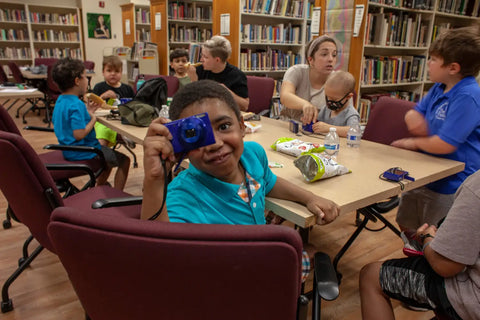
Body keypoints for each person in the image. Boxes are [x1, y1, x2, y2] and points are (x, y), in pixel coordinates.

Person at [141, 80, 340, 277]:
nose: (215, 144)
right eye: (198, 135)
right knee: (310, 253)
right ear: (180, 145)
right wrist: (154, 180)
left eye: (224, 126)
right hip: (234, 280)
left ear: (242, 127)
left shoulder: (252, 155)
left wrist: (309, 198)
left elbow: (269, 182)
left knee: (306, 248)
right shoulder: (183, 195)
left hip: (258, 251)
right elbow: (157, 260)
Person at [391, 23, 480, 231]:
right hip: (424, 173)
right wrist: (412, 116)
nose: (428, 63)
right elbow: (417, 111)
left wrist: (412, 142)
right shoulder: (440, 86)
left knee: (434, 233)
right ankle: (411, 259)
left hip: (451, 184)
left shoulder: (468, 96)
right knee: (406, 222)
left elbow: (445, 144)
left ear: (453, 68)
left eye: (433, 59)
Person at [359, 169, 480, 320]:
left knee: (370, 275)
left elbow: (445, 265)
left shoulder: (475, 188)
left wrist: (427, 239)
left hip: (472, 301)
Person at [51, 58, 130, 190]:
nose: (87, 80)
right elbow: (79, 134)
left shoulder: (61, 101)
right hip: (84, 152)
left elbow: (66, 123)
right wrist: (93, 119)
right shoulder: (76, 105)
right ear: (77, 81)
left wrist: (87, 112)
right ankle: (117, 194)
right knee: (124, 161)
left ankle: (99, 186)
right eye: (85, 76)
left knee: (108, 157)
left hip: (67, 149)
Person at [280, 35, 339, 124]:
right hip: (288, 126)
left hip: (318, 132)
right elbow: (285, 96)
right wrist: (305, 104)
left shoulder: (339, 81)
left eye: (334, 55)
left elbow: (347, 115)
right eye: (324, 54)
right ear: (310, 60)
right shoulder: (296, 71)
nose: (331, 59)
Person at [186, 35, 249, 111]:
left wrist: (225, 91)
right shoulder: (199, 70)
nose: (201, 59)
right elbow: (192, 101)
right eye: (201, 55)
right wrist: (193, 80)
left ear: (217, 60)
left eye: (205, 57)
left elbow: (245, 106)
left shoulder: (237, 75)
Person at [92, 55, 135, 148]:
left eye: (117, 71)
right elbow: (92, 105)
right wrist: (102, 97)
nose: (113, 74)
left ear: (121, 72)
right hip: (103, 120)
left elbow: (133, 105)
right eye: (109, 70)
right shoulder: (99, 87)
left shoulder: (127, 89)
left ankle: (125, 136)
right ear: (103, 72)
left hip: (121, 120)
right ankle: (103, 153)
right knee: (103, 131)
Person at [312, 70, 360, 137]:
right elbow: (317, 123)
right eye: (328, 97)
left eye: (334, 99)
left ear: (348, 97)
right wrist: (311, 121)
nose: (330, 102)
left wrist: (329, 128)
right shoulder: (326, 109)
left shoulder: (351, 114)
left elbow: (354, 131)